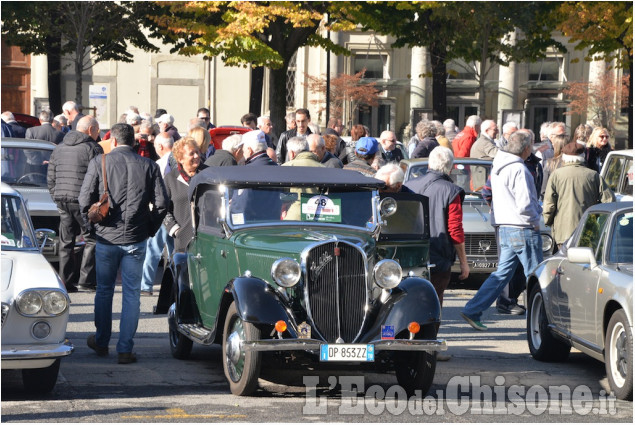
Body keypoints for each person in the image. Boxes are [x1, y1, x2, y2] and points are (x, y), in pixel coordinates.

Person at [79, 123, 168, 364]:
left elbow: (84, 199)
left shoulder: (101, 162)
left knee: (105, 291)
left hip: (107, 237)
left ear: (114, 142)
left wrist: (91, 229)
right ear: (136, 142)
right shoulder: (149, 165)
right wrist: (149, 229)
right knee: (131, 295)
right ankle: (125, 348)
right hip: (135, 238)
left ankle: (101, 340)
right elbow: (161, 204)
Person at [461, 131, 543, 331]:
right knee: (538, 277)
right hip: (522, 227)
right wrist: (536, 219)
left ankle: (473, 309)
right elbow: (525, 205)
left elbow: (487, 193)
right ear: (526, 148)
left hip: (504, 226)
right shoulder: (519, 169)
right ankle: (544, 321)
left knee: (501, 275)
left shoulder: (498, 165)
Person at [406, 146, 469, 306]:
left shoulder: (409, 185)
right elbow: (455, 229)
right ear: (450, 168)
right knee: (432, 304)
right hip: (438, 257)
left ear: (429, 164)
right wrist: (463, 262)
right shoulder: (451, 190)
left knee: (409, 301)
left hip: (409, 253)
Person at [47, 115, 103, 293]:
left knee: (66, 242)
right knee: (91, 239)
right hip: (83, 202)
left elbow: (50, 175)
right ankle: (86, 282)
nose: (98, 133)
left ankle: (66, 282)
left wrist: (55, 195)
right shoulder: (93, 148)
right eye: (97, 130)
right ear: (90, 130)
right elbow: (99, 178)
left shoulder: (60, 147)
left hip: (62, 200)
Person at [543, 142, 615, 249]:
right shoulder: (593, 175)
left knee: (565, 262)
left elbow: (549, 204)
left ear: (564, 157)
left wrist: (548, 221)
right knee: (585, 263)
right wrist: (598, 220)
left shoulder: (556, 175)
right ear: (583, 156)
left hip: (563, 230)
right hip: (588, 229)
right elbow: (610, 201)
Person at [140, 133, 176, 296]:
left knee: (153, 249)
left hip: (162, 212)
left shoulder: (160, 163)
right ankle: (175, 284)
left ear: (160, 146)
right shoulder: (178, 160)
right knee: (175, 250)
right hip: (177, 212)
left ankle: (146, 285)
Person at [164, 137, 207, 253]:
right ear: (180, 158)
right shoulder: (170, 179)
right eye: (191, 153)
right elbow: (164, 208)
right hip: (182, 241)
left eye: (197, 152)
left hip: (208, 239)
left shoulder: (209, 175)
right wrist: (176, 230)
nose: (197, 156)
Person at [540, 134, 569, 198]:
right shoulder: (576, 162)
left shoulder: (550, 164)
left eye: (553, 144)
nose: (552, 145)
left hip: (555, 200)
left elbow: (544, 189)